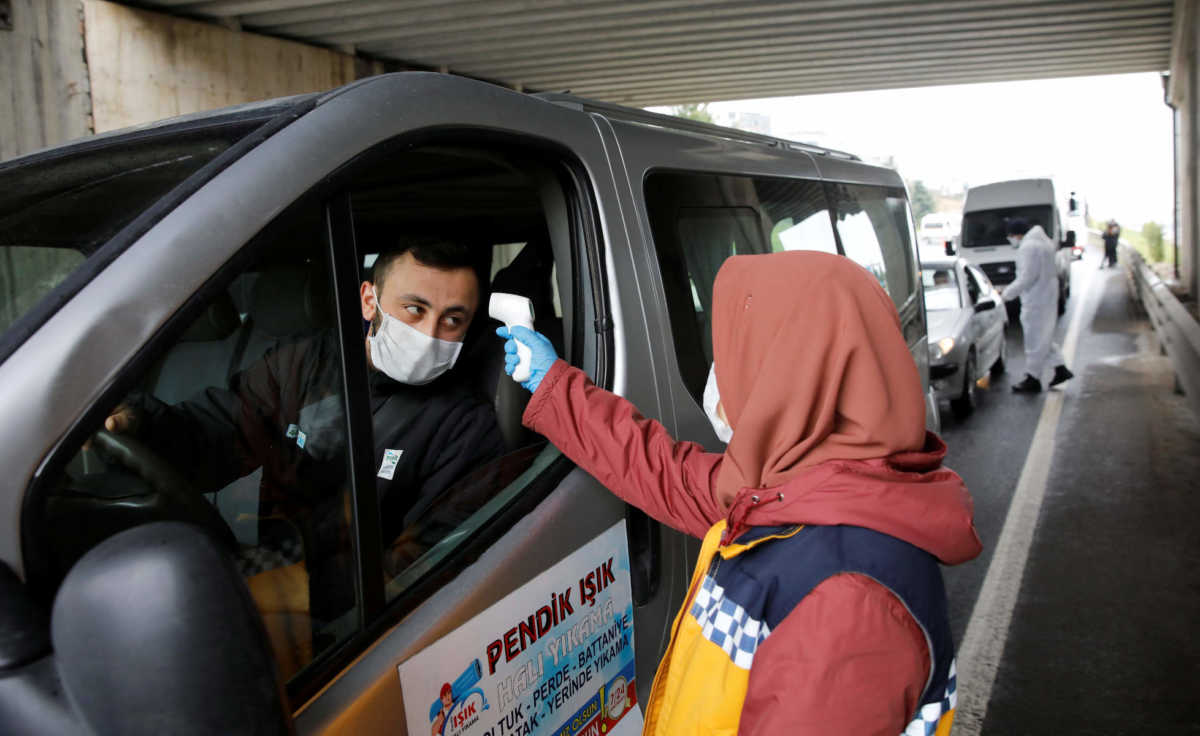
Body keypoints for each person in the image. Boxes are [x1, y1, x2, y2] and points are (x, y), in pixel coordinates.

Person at [497, 251, 982, 735]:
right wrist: (553, 384)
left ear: (787, 376)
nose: (719, 378)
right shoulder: (797, 491)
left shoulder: (849, 605)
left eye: (732, 356)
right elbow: (666, 471)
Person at [105, 238, 505, 559]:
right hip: (277, 568)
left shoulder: (466, 426)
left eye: (453, 320)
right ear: (370, 300)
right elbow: (218, 433)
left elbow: (426, 561)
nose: (430, 333)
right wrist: (142, 424)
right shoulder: (304, 363)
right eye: (415, 309)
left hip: (360, 616)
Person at [999, 218, 1074, 393]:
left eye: (1010, 236)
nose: (1010, 239)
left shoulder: (1029, 247)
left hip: (1035, 300)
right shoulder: (1044, 243)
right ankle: (1060, 368)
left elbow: (1026, 277)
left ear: (1017, 234)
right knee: (1043, 337)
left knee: (1034, 340)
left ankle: (1033, 378)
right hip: (1046, 296)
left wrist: (1006, 294)